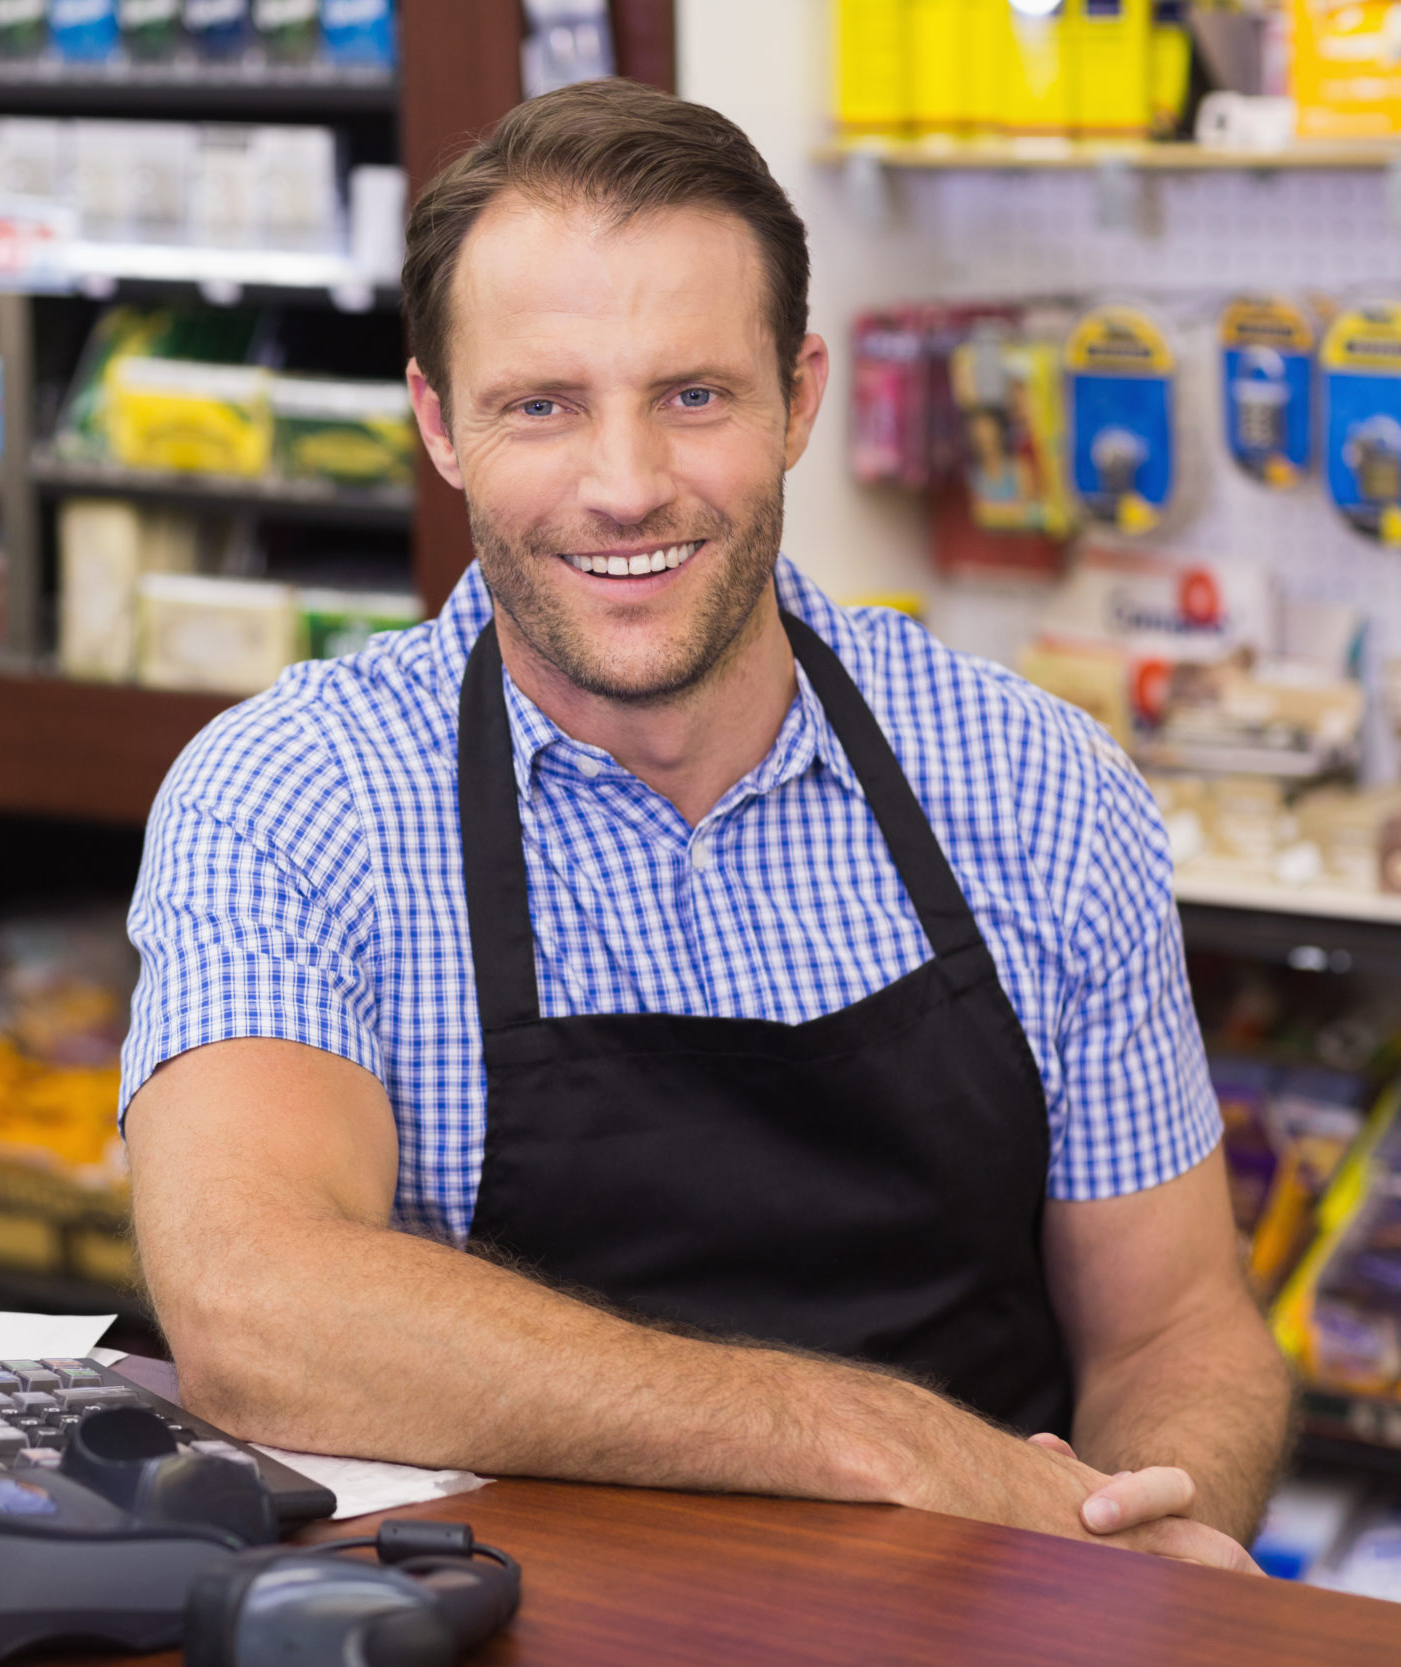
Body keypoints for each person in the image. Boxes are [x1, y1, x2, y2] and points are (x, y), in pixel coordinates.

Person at [121, 81, 1290, 1572]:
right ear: (438, 423)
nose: (626, 486)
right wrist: (869, 1445)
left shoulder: (1036, 783)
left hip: (993, 1617)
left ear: (797, 400)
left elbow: (1178, 1327)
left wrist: (1144, 1542)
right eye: (541, 405)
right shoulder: (299, 796)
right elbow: (255, 1308)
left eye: (694, 395)